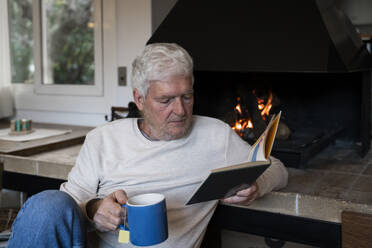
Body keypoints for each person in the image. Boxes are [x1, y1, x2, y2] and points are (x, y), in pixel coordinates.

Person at [8, 43, 288, 248]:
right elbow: (67, 205)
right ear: (140, 99)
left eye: (187, 97)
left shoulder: (215, 136)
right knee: (47, 204)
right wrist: (94, 209)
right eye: (166, 100)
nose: (180, 110)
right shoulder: (104, 139)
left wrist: (257, 186)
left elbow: (276, 167)